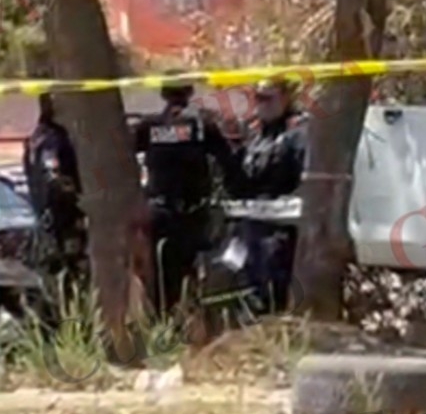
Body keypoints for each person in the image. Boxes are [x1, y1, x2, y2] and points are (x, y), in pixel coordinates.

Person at [132, 76, 246, 314]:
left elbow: (124, 158)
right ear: (189, 93)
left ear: (163, 94)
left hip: (159, 212)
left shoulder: (149, 126)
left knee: (161, 279)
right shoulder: (202, 125)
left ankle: (164, 320)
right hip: (192, 214)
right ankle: (189, 318)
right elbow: (229, 165)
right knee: (191, 275)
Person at [237, 77, 308, 309]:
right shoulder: (256, 134)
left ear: (286, 98)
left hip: (280, 227)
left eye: (268, 98)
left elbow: (305, 180)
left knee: (273, 288)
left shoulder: (297, 132)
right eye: (258, 98)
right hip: (252, 223)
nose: (261, 104)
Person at [25, 93, 86, 296]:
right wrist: (77, 201)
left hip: (42, 211)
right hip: (61, 214)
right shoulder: (55, 138)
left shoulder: (37, 136)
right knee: (70, 266)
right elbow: (55, 176)